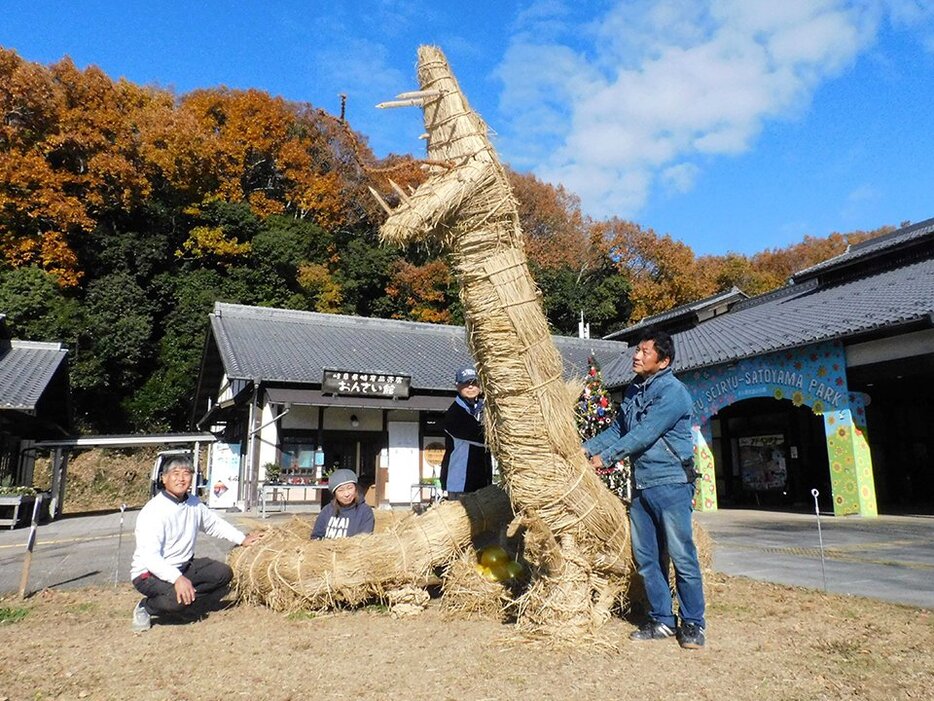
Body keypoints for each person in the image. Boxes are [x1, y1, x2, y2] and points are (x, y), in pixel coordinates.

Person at [583, 329, 706, 649]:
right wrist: (582, 450)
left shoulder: (673, 392)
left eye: (645, 352)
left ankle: (693, 623)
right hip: (641, 486)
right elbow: (618, 430)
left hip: (671, 483)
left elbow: (647, 433)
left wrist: (605, 458)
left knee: (682, 555)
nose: (636, 356)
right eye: (637, 350)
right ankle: (663, 620)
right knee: (648, 557)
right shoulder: (635, 390)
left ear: (663, 360)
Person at [130, 456, 262, 632]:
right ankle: (146, 607)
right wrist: (177, 579)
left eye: (186, 474)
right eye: (175, 474)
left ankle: (186, 601)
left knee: (223, 574)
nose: (181, 479)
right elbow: (150, 558)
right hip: (149, 574)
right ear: (164, 478)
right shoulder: (154, 511)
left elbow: (214, 524)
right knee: (176, 598)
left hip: (183, 566)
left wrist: (242, 539)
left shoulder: (193, 503)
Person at [439, 366, 493, 500]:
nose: (470, 387)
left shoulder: (482, 409)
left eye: (474, 383)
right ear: (457, 386)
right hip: (461, 484)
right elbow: (482, 437)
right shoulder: (454, 414)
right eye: (465, 383)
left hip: (482, 481)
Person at [311, 468, 375, 539]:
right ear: (334, 493)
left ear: (356, 488)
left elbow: (365, 539)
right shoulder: (327, 511)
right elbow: (316, 537)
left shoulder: (365, 511)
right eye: (340, 490)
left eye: (350, 488)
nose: (346, 494)